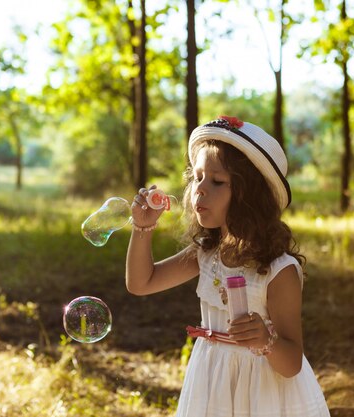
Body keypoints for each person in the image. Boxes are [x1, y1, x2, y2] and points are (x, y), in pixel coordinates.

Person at [126, 116, 330, 417]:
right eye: (197, 177)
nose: (200, 189)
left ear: (250, 196)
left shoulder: (277, 270)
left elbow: (292, 362)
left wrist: (267, 340)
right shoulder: (206, 253)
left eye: (217, 181)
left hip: (263, 393)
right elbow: (141, 282)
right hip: (211, 382)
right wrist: (142, 229)